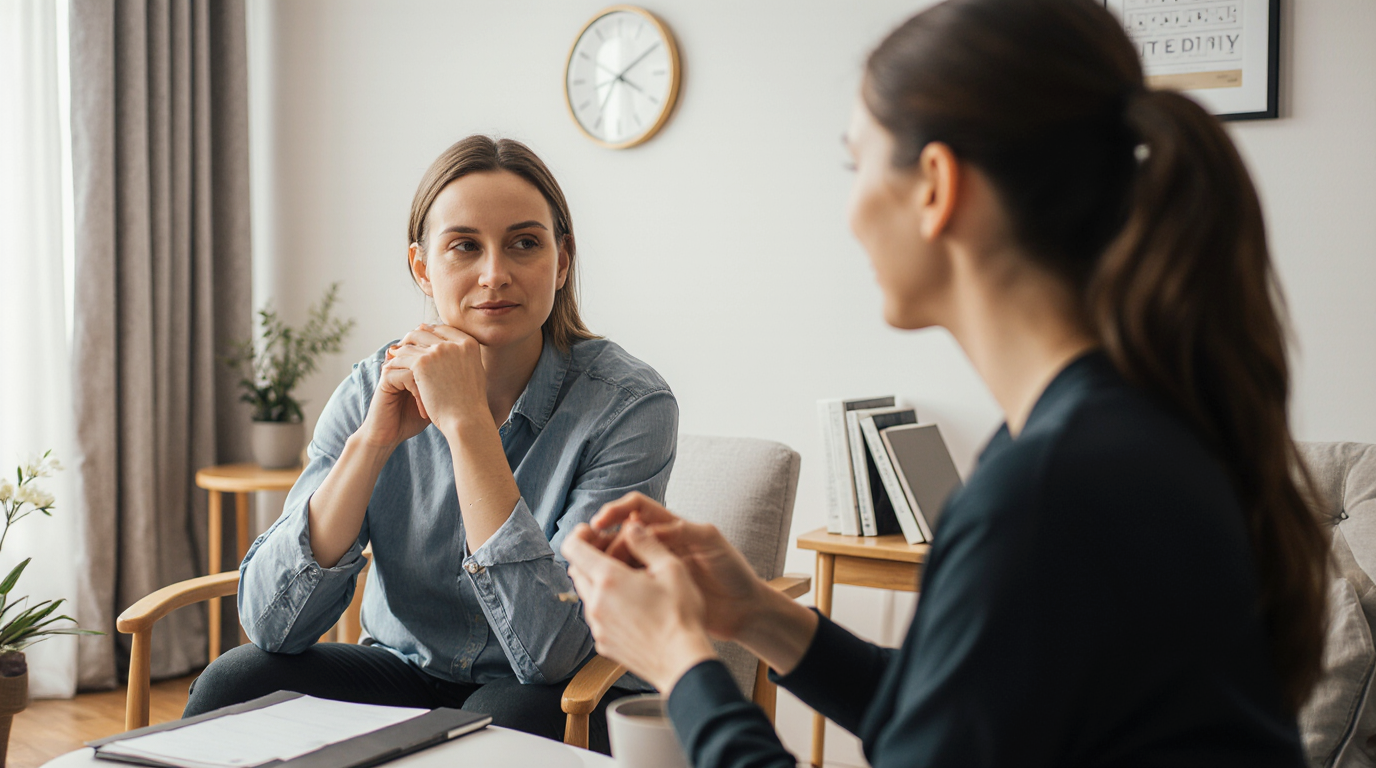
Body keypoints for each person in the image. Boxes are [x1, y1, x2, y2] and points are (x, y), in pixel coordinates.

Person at [561, 1, 1328, 766]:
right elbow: (958, 717)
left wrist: (679, 663)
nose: (851, 210)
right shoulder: (1091, 431)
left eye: (854, 163)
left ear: (934, 185)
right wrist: (757, 613)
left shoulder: (1047, 490)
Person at [184, 136, 678, 754]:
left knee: (505, 721)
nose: (495, 274)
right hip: (406, 673)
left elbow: (551, 650)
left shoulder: (630, 405)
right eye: (464, 246)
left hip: (561, 689)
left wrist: (467, 423)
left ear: (561, 260)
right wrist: (374, 440)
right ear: (422, 266)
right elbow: (273, 625)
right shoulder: (372, 385)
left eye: (525, 243)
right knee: (238, 680)